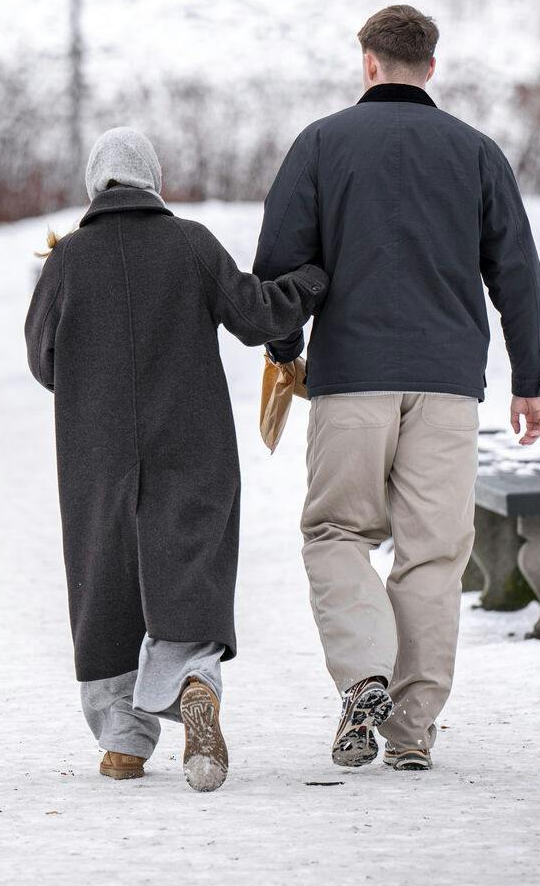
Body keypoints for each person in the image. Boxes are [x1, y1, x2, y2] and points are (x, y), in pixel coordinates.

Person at [253, 4, 540, 774]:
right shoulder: (476, 152)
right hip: (450, 385)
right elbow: (516, 269)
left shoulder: (321, 144)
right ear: (431, 67)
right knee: (431, 554)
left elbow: (279, 264)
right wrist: (531, 379)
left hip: (352, 379)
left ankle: (365, 678)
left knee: (335, 534)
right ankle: (413, 728)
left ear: (368, 62)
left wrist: (286, 350)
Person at [25, 127, 327, 792]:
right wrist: (308, 282)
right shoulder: (190, 244)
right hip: (192, 442)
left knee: (104, 579)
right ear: (152, 178)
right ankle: (193, 679)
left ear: (95, 182)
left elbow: (43, 360)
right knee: (187, 565)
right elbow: (256, 316)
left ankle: (123, 744)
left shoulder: (68, 260)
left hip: (97, 454)